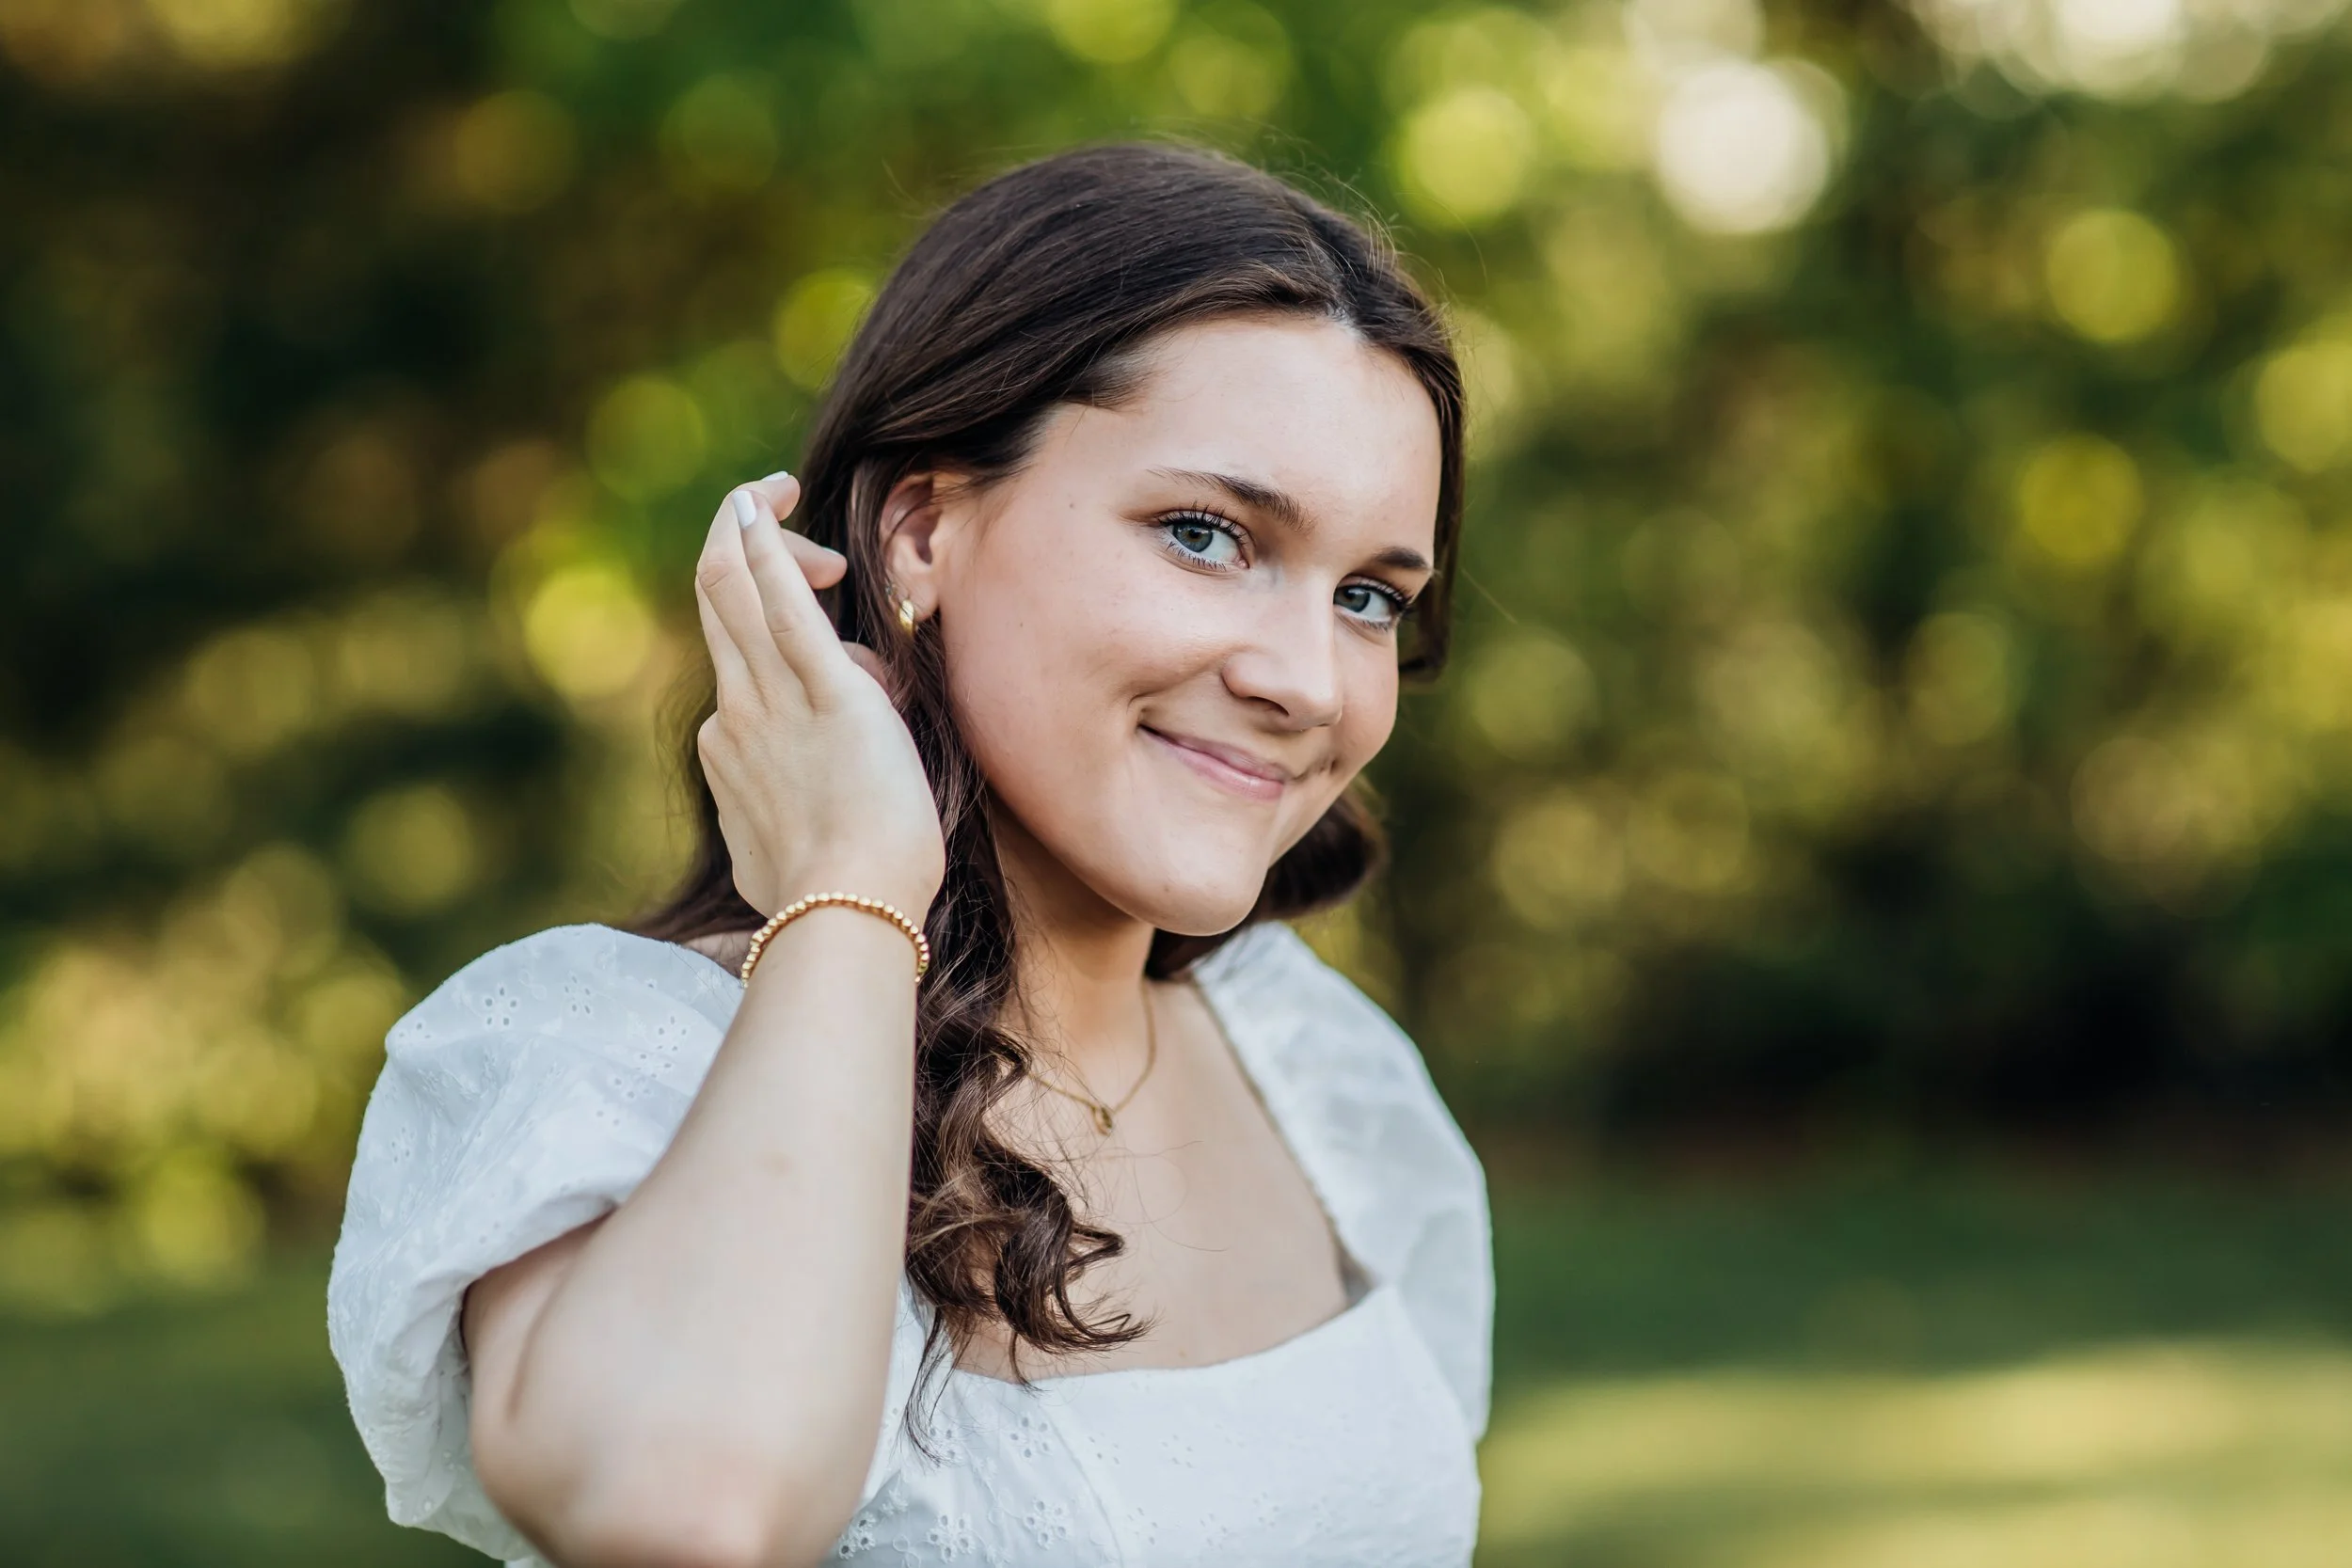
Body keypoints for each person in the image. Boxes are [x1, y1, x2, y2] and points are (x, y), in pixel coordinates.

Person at [328, 142, 1490, 1568]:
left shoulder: (1319, 1071)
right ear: (924, 529)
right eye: (1207, 534)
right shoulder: (609, 1070)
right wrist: (861, 887)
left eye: (1372, 596)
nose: (1310, 679)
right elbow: (694, 1517)